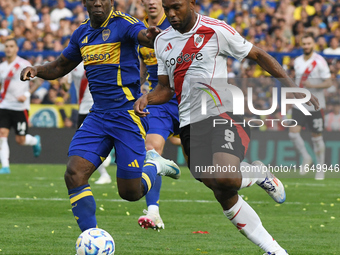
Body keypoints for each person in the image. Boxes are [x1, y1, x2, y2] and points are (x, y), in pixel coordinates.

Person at [134, 0, 319, 254]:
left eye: (176, 7)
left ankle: (259, 174)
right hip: (189, 123)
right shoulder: (162, 41)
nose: (172, 14)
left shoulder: (216, 29)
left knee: (225, 175)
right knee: (221, 189)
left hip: (223, 113)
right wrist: (148, 98)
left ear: (192, 4)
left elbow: (259, 55)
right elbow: (165, 89)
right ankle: (274, 250)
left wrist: (293, 87)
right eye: (168, 9)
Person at [20, 0, 180, 233]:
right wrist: (37, 70)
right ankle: (90, 236)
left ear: (111, 2)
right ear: (84, 2)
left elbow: (142, 34)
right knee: (74, 173)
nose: (97, 2)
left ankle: (153, 166)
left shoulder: (123, 24)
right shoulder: (82, 33)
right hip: (98, 115)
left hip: (126, 114)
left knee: (130, 193)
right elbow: (61, 65)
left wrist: (151, 35)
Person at [137, 0, 180, 231]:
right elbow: (143, 66)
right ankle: (153, 213)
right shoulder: (139, 30)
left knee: (212, 170)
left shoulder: (177, 23)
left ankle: (256, 174)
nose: (152, 1)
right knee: (150, 150)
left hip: (188, 98)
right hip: (160, 100)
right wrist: (137, 88)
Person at [289, 33, 332, 180]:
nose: (306, 46)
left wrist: (313, 85)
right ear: (301, 44)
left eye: (309, 43)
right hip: (300, 103)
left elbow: (329, 82)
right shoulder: (297, 61)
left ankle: (320, 169)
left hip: (316, 104)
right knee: (293, 133)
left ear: (313, 44)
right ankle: (306, 157)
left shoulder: (320, 61)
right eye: (304, 43)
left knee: (316, 137)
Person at [63, 62, 112, 184]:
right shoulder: (72, 63)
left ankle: (109, 155)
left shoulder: (99, 58)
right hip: (83, 108)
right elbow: (66, 86)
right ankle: (105, 174)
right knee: (87, 143)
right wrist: (63, 83)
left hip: (100, 106)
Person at [0, 38, 41, 174]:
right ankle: (5, 166)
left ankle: (35, 141)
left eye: (11, 46)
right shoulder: (2, 67)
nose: (8, 49)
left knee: (20, 140)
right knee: (2, 134)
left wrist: (27, 95)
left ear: (16, 49)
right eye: (6, 46)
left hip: (20, 107)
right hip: (4, 105)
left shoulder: (24, 64)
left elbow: (38, 81)